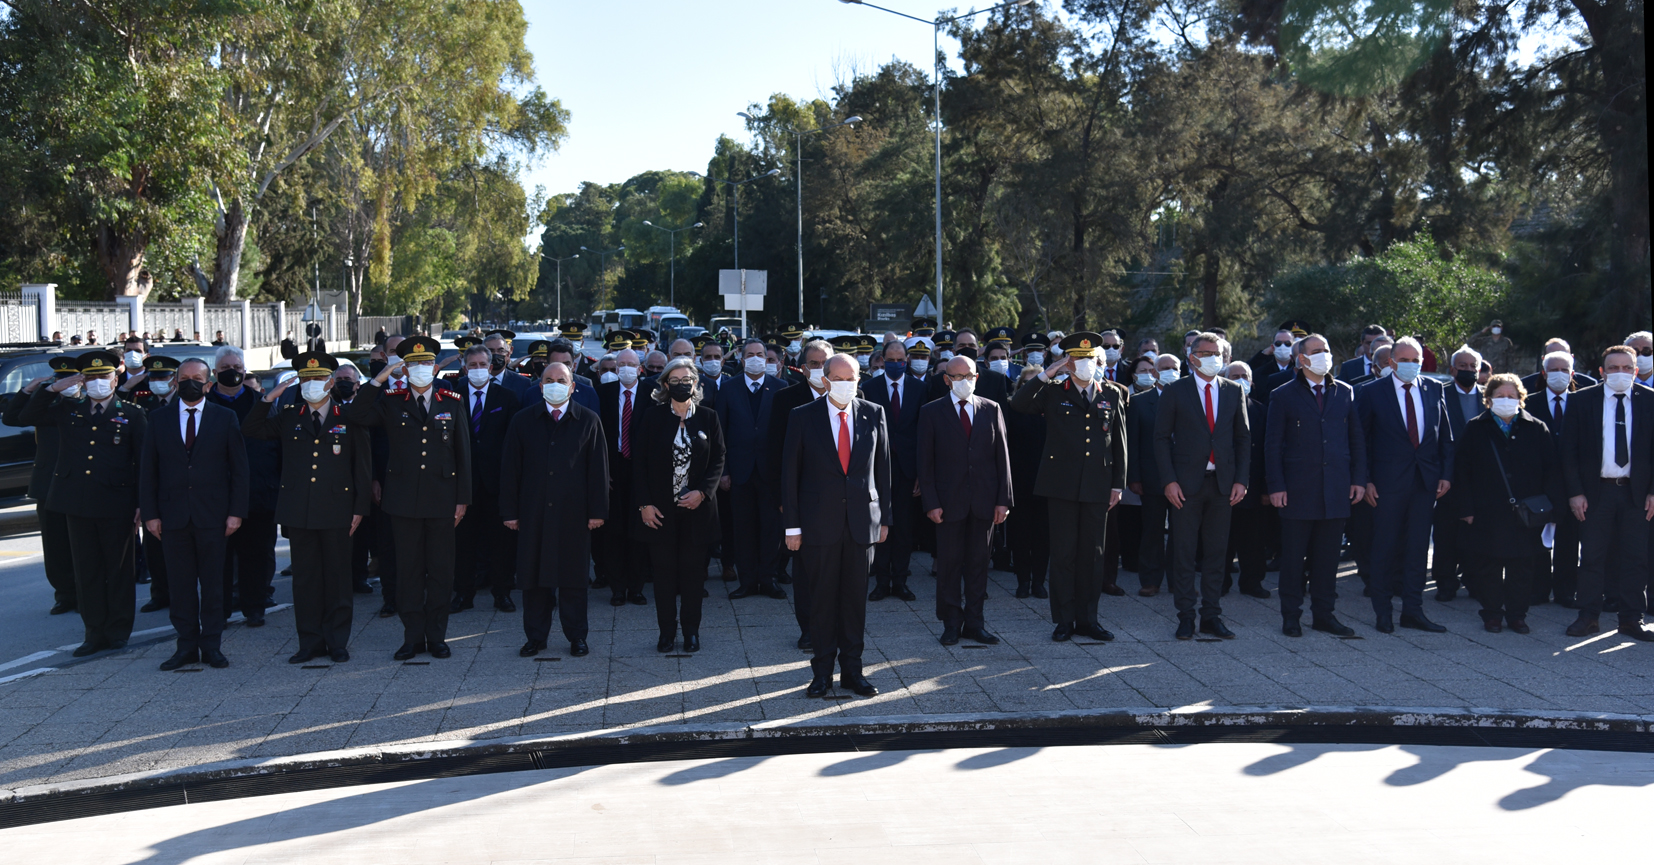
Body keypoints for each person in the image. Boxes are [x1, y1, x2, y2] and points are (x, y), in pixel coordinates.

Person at [347, 335, 472, 660]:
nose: (421, 368)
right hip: (403, 501)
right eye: (414, 364)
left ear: (434, 366)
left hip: (444, 500)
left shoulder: (451, 400)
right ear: (404, 367)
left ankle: (438, 637)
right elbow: (357, 415)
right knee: (409, 571)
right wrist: (380, 377)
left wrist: (463, 498)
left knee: (442, 570)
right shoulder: (391, 400)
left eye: (426, 362)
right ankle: (412, 637)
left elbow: (463, 453)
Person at [20, 351, 148, 656]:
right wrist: (52, 388)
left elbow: (143, 462)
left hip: (117, 503)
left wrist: (144, 503)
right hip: (77, 503)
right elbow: (23, 417)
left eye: (103, 377)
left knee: (118, 571)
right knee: (86, 570)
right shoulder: (68, 409)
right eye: (91, 378)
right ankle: (93, 633)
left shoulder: (130, 414)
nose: (97, 383)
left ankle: (118, 630)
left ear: (115, 379)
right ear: (82, 380)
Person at [782, 354, 892, 698]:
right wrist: (792, 528)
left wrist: (885, 518)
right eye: (839, 378)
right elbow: (789, 476)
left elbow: (884, 470)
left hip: (861, 524)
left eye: (853, 378)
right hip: (818, 526)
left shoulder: (874, 413)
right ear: (825, 379)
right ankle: (822, 674)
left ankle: (853, 673)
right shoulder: (802, 417)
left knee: (854, 602)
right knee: (822, 602)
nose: (847, 384)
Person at [1010, 332, 1127, 643]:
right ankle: (1064, 621)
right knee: (1063, 555)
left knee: (1093, 555)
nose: (1085, 364)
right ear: (1068, 360)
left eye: (1090, 359)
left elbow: (1118, 443)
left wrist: (1118, 484)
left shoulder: (1111, 394)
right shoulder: (1052, 391)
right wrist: (1050, 371)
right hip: (1060, 484)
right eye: (1078, 358)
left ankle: (1089, 619)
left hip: (1097, 485)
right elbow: (1019, 403)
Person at [139, 357, 249, 671]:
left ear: (208, 383)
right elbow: (149, 472)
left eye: (197, 378)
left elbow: (239, 471)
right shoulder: (158, 419)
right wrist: (150, 514)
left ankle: (212, 646)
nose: (190, 383)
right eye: (184, 377)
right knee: (181, 586)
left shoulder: (224, 417)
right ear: (175, 381)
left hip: (214, 517)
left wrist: (236, 512)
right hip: (172, 518)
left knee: (214, 585)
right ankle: (185, 646)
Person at [501, 362, 608, 658]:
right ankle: (535, 637)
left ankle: (577, 637)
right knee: (533, 580)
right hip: (532, 512)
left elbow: (598, 471)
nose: (555, 384)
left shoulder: (588, 420)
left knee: (574, 579)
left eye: (562, 379)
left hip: (574, 514)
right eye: (549, 379)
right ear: (540, 386)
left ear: (573, 386)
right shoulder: (523, 420)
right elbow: (510, 469)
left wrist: (598, 511)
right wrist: (510, 511)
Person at [1264, 334, 1366, 637]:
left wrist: (1358, 479)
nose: (1324, 356)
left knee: (1327, 559)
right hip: (1297, 490)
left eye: (1327, 350)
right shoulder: (1283, 395)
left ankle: (1324, 615)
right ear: (1302, 358)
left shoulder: (1345, 392)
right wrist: (1276, 486)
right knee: (1294, 559)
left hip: (1336, 489)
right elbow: (1272, 446)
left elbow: (1356, 440)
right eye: (1316, 351)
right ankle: (1291, 616)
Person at [1155, 332, 1251, 640]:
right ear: (1192, 357)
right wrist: (1169, 480)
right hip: (1186, 486)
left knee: (1216, 553)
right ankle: (1186, 616)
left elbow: (1243, 439)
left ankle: (1212, 616)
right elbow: (1160, 439)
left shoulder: (1234, 391)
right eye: (1206, 353)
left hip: (1222, 486)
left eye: (1218, 353)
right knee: (1183, 552)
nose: (1213, 358)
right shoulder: (1175, 391)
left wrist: (1241, 480)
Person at [1357, 337, 1454, 634]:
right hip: (1386, 485)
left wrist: (1445, 474)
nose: (1412, 365)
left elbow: (1444, 436)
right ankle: (1383, 612)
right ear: (1391, 362)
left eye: (1417, 360)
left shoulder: (1434, 388)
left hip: (1424, 483)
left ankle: (1413, 610)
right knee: (1384, 548)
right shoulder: (1371, 392)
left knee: (1416, 549)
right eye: (1405, 360)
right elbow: (1360, 441)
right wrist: (1366, 480)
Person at [1453, 374, 1561, 634]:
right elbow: (1462, 470)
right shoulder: (1476, 427)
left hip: (1527, 512)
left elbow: (1551, 470)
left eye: (1511, 396)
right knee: (1488, 565)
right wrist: (1465, 509)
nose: (1506, 400)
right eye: (1500, 396)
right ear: (1488, 399)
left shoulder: (1536, 427)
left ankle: (1517, 615)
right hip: (1487, 510)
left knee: (1522, 567)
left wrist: (1551, 508)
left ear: (1520, 399)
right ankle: (1491, 613)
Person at [1560, 345, 1653, 640]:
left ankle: (1630, 619)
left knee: (1636, 558)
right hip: (1596, 492)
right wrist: (1575, 492)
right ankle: (1588, 616)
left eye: (1627, 368)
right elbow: (1568, 451)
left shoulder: (1650, 401)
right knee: (1591, 557)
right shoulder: (1581, 400)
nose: (1620, 373)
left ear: (1636, 371)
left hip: (1636, 494)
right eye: (1613, 368)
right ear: (1601, 372)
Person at [917, 357, 1012, 645]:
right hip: (947, 503)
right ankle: (951, 623)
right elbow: (925, 462)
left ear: (976, 377)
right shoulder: (931, 412)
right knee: (949, 565)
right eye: (956, 376)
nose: (963, 381)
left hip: (984, 500)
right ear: (946, 380)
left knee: (978, 564)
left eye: (968, 375)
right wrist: (930, 501)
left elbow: (1002, 458)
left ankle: (975, 623)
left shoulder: (991, 409)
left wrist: (1003, 501)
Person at [634, 358, 726, 653]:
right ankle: (666, 632)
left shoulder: (709, 417)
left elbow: (718, 459)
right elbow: (639, 464)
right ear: (664, 385)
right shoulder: (651, 417)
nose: (681, 384)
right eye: (674, 380)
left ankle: (691, 632)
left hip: (696, 511)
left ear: (696, 383)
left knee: (692, 575)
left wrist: (703, 492)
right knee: (663, 575)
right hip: (660, 512)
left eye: (687, 379)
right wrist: (644, 504)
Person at [763, 339, 837, 648]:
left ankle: (835, 625)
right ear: (803, 367)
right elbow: (775, 453)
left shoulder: (853, 396)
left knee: (838, 569)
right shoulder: (786, 399)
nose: (821, 369)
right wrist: (784, 501)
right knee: (806, 569)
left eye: (826, 364)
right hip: (804, 500)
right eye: (815, 364)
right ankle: (808, 628)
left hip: (842, 499)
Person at [205, 346, 279, 627]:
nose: (232, 372)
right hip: (215, 496)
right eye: (225, 368)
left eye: (237, 367)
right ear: (214, 373)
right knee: (218, 559)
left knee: (256, 555)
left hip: (257, 492)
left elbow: (276, 444)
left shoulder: (263, 402)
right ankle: (220, 610)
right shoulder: (204, 403)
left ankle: (255, 607)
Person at [5, 358, 81, 615]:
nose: (65, 384)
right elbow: (12, 418)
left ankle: (86, 593)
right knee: (54, 543)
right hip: (48, 483)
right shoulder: (47, 404)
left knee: (81, 544)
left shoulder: (87, 403)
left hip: (80, 483)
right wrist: (29, 391)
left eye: (70, 379)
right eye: (60, 379)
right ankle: (65, 594)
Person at [717, 339, 789, 601]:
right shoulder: (728, 388)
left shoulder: (781, 388)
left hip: (771, 473)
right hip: (739, 471)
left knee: (772, 529)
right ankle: (747, 581)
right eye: (751, 354)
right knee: (743, 529)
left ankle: (768, 579)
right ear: (742, 359)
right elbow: (720, 432)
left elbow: (786, 435)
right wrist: (723, 471)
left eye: (762, 354)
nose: (757, 358)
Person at [452, 343, 521, 613]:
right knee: (463, 543)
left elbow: (512, 444)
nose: (478, 370)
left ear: (491, 366)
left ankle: (502, 592)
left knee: (501, 543)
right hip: (464, 483)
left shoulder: (507, 397)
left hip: (496, 483)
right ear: (464, 367)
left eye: (483, 365)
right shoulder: (452, 394)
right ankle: (463, 595)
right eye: (473, 365)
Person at [862, 337, 921, 602]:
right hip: (877, 467)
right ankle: (881, 581)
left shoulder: (920, 388)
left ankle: (901, 581)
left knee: (905, 527)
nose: (896, 364)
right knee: (881, 523)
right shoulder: (869, 387)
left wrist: (922, 472)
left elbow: (924, 431)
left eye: (900, 360)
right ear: (882, 360)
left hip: (908, 468)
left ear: (906, 361)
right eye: (891, 360)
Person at [1525, 350, 1582, 607]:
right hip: (1538, 484)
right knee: (1537, 538)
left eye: (1564, 370)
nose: (1559, 375)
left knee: (1569, 540)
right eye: (1553, 369)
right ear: (1543, 373)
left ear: (1572, 374)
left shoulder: (1583, 402)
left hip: (1573, 483)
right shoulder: (1529, 403)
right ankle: (1538, 589)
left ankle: (1565, 590)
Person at [1434, 345, 1485, 601]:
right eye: (1462, 366)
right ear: (1452, 369)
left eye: (1472, 367)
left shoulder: (1489, 398)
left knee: (1476, 532)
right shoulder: (1438, 394)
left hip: (1480, 479)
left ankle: (1474, 579)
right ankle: (1445, 582)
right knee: (1445, 533)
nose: (1467, 371)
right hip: (1448, 475)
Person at [1004, 332, 1052, 599]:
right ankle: (1023, 581)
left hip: (1046, 480)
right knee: (1020, 534)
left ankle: (1039, 582)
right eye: (1027, 383)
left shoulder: (1053, 411)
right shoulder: (1012, 410)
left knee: (1043, 534)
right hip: (1019, 481)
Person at [1221, 362, 1270, 598]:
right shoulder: (1218, 409)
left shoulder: (1262, 411)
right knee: (1222, 539)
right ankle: (1220, 583)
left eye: (1244, 376)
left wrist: (1267, 488)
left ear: (1252, 381)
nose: (1241, 380)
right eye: (1235, 376)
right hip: (1222, 486)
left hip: (1253, 486)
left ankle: (1252, 582)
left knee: (1253, 540)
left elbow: (1268, 452)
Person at [1126, 354, 1174, 596]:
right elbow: (1132, 442)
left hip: (1184, 479)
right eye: (1165, 368)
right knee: (1152, 530)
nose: (1170, 371)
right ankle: (1150, 580)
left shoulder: (1188, 397)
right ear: (1155, 373)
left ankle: (1179, 581)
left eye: (1174, 368)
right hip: (1151, 478)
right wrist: (1133, 477)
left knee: (1181, 533)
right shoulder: (1139, 401)